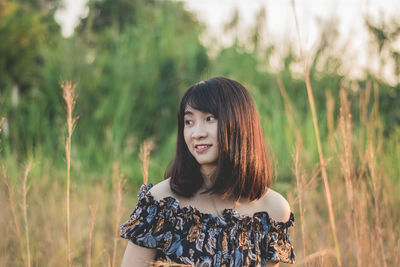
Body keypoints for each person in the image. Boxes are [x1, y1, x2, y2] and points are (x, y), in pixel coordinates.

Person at [120, 77, 295, 267]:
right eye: (189, 121)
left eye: (209, 119)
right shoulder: (161, 204)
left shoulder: (272, 211)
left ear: (240, 123)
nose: (197, 133)